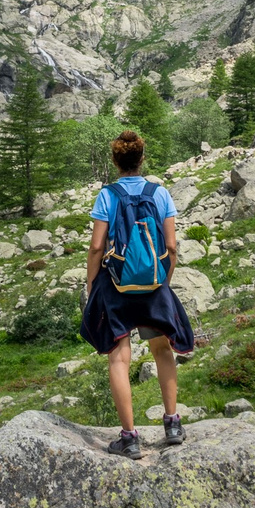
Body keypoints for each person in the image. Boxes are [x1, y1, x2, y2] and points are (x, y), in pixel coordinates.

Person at [81, 130, 195, 459]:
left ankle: (130, 438)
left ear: (115, 162)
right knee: (162, 350)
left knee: (119, 357)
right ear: (142, 159)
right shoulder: (160, 194)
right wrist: (163, 280)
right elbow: (171, 246)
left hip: (116, 286)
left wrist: (93, 286)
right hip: (154, 285)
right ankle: (172, 424)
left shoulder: (107, 195)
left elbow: (96, 247)